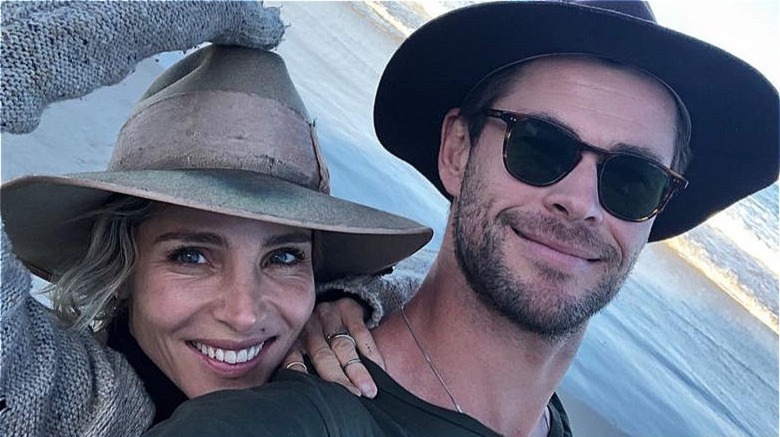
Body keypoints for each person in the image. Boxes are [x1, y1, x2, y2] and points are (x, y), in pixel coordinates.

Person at [143, 1, 778, 437]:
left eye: (632, 180)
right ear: (456, 151)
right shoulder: (277, 423)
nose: (581, 201)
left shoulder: (545, 422)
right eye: (540, 147)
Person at [1, 31, 433, 437]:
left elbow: (448, 280)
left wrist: (343, 297)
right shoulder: (61, 391)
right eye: (191, 256)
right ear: (123, 266)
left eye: (283, 257)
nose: (244, 315)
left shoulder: (316, 357)